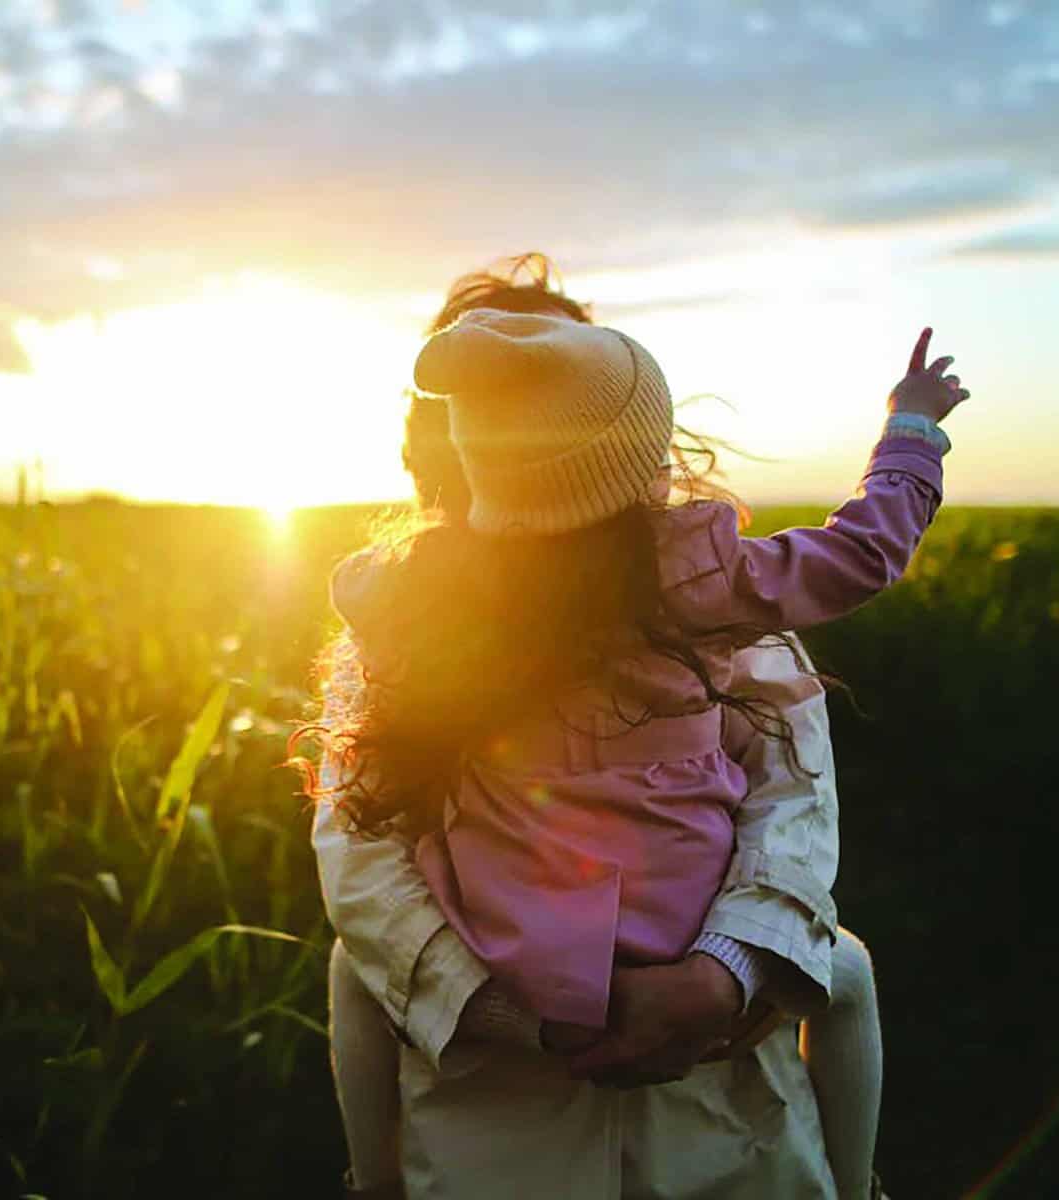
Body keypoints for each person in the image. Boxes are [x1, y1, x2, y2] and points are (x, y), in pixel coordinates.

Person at [307, 257, 960, 1197]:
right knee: (844, 967)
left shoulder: (408, 603)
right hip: (491, 1108)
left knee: (349, 977)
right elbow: (361, 852)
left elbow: (791, 797)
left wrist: (720, 975)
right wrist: (910, 434)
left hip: (724, 1108)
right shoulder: (705, 584)